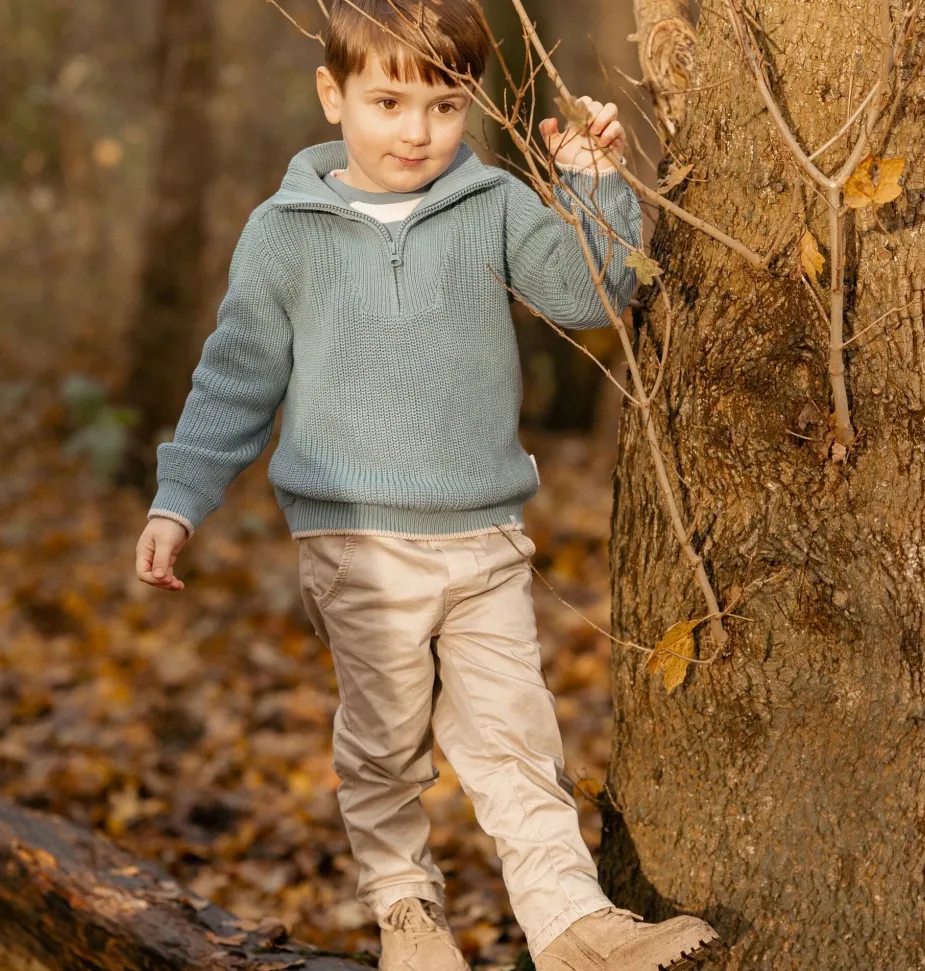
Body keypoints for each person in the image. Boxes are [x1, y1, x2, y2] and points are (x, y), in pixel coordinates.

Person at [134, 1, 720, 968]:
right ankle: (407, 911)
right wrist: (177, 499)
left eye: (445, 106)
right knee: (384, 742)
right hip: (357, 544)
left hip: (485, 537)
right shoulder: (287, 232)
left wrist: (598, 188)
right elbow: (236, 376)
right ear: (333, 96)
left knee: (517, 739)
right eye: (389, 101)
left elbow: (585, 293)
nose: (417, 131)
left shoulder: (488, 204)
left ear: (471, 104)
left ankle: (570, 919)